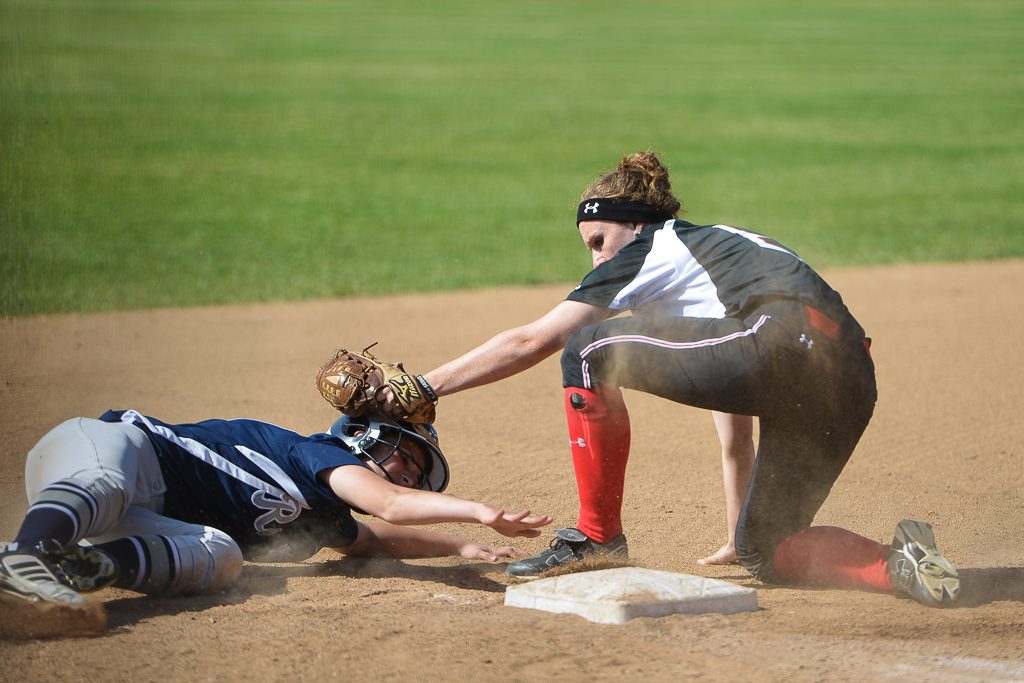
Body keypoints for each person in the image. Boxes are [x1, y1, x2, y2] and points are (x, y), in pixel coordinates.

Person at [379, 151, 960, 607]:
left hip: (779, 340)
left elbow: (533, 339)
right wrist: (738, 532)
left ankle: (596, 537)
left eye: (597, 243)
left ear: (631, 224)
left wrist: (422, 387)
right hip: (847, 376)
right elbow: (735, 422)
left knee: (586, 348)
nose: (596, 263)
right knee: (769, 549)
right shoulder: (717, 256)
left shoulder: (657, 244)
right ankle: (899, 564)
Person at [0, 409, 551, 611]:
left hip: (130, 522)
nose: (408, 472)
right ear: (360, 438)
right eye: (401, 454)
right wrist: (478, 512)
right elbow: (391, 506)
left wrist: (459, 546)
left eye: (417, 470)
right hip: (102, 455)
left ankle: (71, 570)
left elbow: (374, 539)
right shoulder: (317, 452)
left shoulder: (324, 515)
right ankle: (28, 555)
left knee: (220, 556)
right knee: (107, 484)